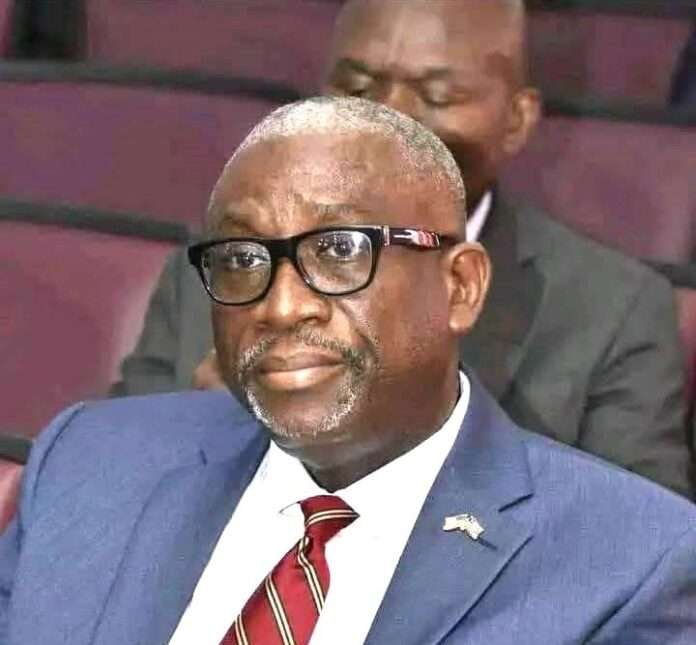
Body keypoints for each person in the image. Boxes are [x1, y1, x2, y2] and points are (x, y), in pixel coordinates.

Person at [3, 97, 696, 645]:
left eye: (339, 250)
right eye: (242, 258)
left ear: (459, 287)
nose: (281, 305)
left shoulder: (632, 563)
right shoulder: (89, 462)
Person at [110, 0, 692, 499]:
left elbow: (642, 552)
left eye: (437, 95)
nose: (386, 117)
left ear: (517, 119)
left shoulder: (613, 312)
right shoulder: (226, 267)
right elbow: (112, 478)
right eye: (357, 88)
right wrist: (205, 438)